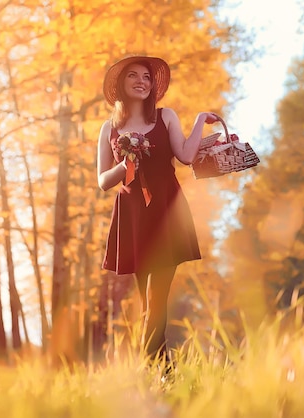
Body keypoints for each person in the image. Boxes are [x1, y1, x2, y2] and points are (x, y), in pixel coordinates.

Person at [97, 55, 217, 362]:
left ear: (153, 86)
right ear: (121, 85)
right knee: (147, 300)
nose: (141, 81)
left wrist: (200, 120)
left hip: (166, 212)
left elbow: (186, 156)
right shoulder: (109, 129)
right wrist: (125, 165)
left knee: (156, 296)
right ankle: (159, 368)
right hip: (133, 218)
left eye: (147, 77)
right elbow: (103, 181)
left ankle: (152, 366)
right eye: (133, 76)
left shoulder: (165, 117)